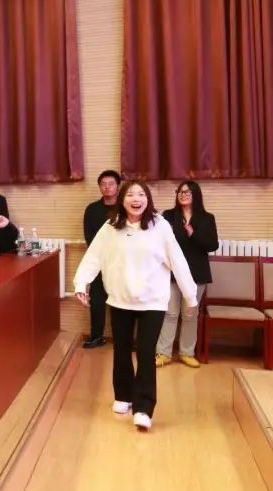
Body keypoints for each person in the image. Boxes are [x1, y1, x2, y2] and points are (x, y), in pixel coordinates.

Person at [74, 181, 197, 432]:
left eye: (141, 194)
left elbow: (178, 261)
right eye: (130, 194)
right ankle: (123, 396)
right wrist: (80, 283)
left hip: (152, 301)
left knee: (145, 352)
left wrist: (190, 296)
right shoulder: (111, 226)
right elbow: (94, 256)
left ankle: (143, 408)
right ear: (122, 200)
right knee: (121, 349)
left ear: (147, 199)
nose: (136, 199)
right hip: (120, 299)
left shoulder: (160, 226)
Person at [156, 181, 219, 369]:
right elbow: (160, 241)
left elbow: (212, 245)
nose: (183, 194)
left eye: (187, 192)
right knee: (170, 313)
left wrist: (193, 234)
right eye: (180, 191)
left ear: (196, 194)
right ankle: (163, 353)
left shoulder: (207, 218)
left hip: (197, 273)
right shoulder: (168, 216)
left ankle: (186, 353)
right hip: (171, 273)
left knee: (190, 315)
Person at [81, 170, 121, 349]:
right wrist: (100, 257)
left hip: (120, 263)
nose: (107, 187)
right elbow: (89, 236)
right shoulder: (92, 209)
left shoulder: (124, 207)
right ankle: (97, 336)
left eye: (111, 184)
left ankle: (122, 339)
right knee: (97, 301)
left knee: (120, 302)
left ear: (118, 186)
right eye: (103, 184)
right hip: (98, 262)